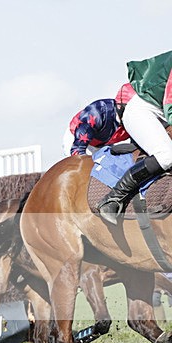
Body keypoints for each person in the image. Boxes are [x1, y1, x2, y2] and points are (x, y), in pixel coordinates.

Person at [96, 50, 172, 224]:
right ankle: (113, 198)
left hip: (160, 114)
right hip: (143, 111)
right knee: (167, 155)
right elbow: (170, 108)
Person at [63, 83, 136, 156]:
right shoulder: (97, 112)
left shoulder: (137, 122)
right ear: (120, 106)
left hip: (103, 144)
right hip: (77, 137)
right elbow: (77, 150)